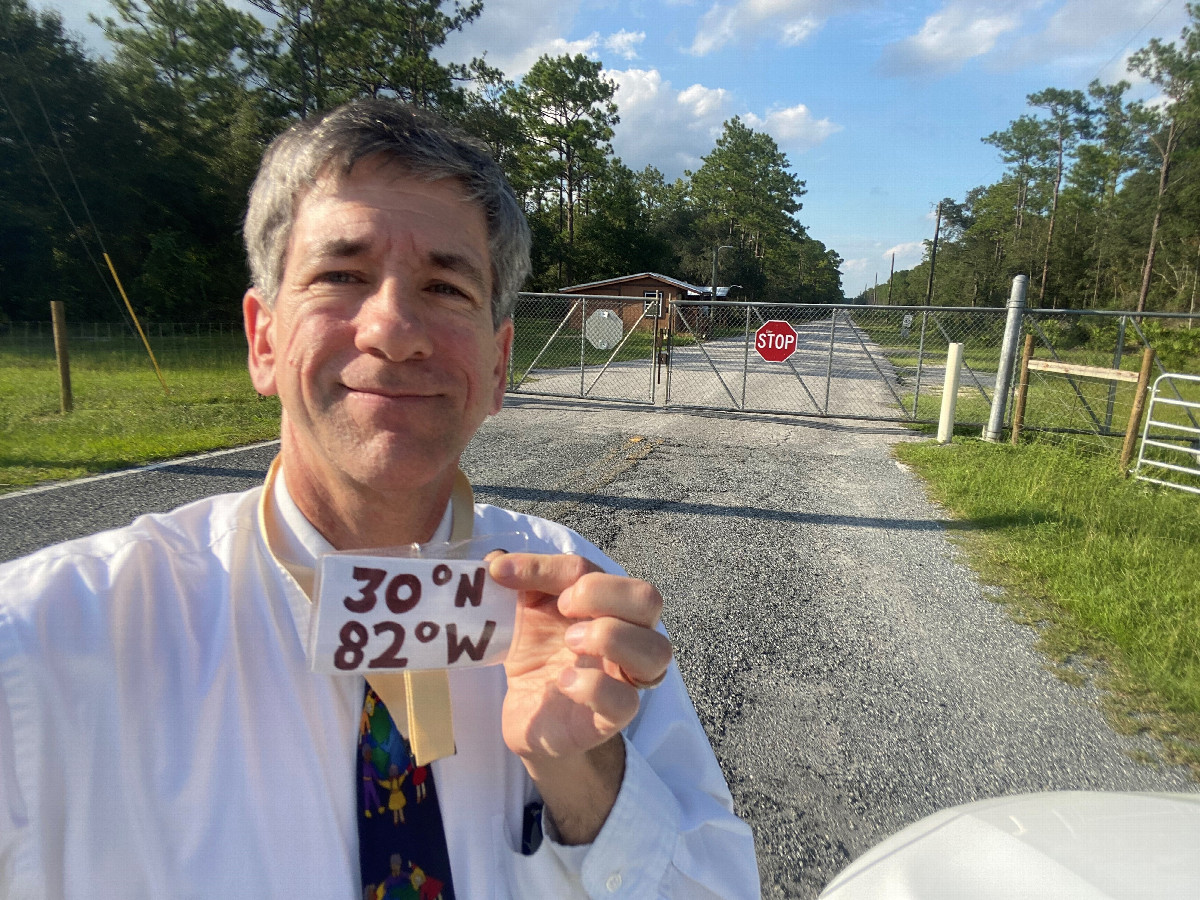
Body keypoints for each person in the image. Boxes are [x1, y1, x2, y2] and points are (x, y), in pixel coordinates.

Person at [0, 100, 759, 898]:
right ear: (263, 341)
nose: (395, 328)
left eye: (445, 285)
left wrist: (585, 774)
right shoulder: (44, 651)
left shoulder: (584, 611)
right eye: (341, 275)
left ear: (499, 368)